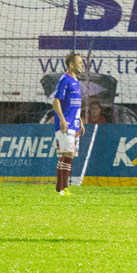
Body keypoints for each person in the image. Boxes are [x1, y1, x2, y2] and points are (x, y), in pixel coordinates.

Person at [50, 52, 84, 196]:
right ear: (71, 64)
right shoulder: (65, 79)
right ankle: (64, 189)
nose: (82, 65)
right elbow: (56, 101)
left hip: (74, 123)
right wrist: (63, 120)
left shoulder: (76, 81)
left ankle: (59, 189)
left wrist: (80, 120)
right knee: (68, 154)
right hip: (66, 123)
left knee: (66, 155)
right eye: (80, 62)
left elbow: (73, 104)